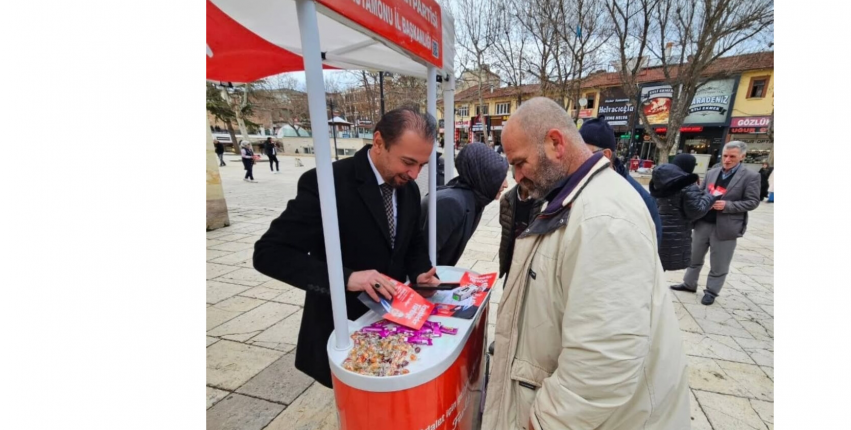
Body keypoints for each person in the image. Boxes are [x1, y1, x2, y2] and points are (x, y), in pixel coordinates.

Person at [483, 97, 689, 430]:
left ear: (555, 143)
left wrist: (545, 421)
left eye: (520, 162)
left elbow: (605, 359)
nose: (517, 175)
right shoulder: (575, 199)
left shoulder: (603, 218)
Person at [252, 107, 442, 388]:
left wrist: (420, 271)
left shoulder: (409, 189)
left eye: (422, 165)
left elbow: (410, 241)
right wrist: (348, 278)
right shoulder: (328, 183)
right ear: (379, 142)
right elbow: (269, 253)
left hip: (393, 327)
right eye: (408, 162)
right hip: (342, 327)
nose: (414, 174)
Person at [671, 141, 761, 305]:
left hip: (726, 226)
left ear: (742, 156)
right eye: (725, 156)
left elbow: (753, 201)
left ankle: (711, 291)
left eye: (732, 157)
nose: (727, 160)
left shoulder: (751, 176)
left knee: (719, 262)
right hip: (703, 222)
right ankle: (689, 284)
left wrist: (728, 205)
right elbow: (701, 192)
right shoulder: (712, 172)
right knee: (694, 256)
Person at [579, 116, 663, 246]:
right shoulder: (576, 184)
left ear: (605, 154)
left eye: (582, 152)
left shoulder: (638, 197)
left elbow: (652, 244)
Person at [421, 143, 508, 266]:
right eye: (500, 178)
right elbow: (426, 261)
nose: (506, 184)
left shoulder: (474, 200)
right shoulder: (451, 204)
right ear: (484, 177)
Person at [649, 153, 717, 271]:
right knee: (661, 266)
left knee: (655, 265)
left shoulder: (658, 180)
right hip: (675, 232)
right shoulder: (687, 184)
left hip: (655, 228)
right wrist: (710, 197)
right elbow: (696, 211)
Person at [498, 178, 540, 280]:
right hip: (511, 264)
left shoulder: (545, 201)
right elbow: (506, 234)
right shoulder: (506, 199)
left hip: (533, 268)